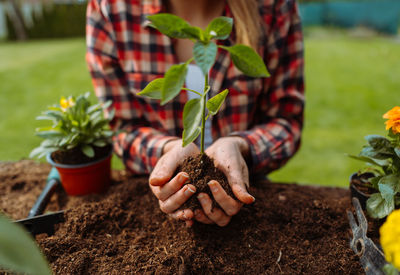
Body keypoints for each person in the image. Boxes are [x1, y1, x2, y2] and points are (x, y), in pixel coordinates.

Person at [86, 0, 304, 227]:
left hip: (249, 196)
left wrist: (240, 145)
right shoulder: (111, 8)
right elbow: (122, 128)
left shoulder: (273, 6)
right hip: (154, 200)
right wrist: (168, 151)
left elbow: (287, 119)